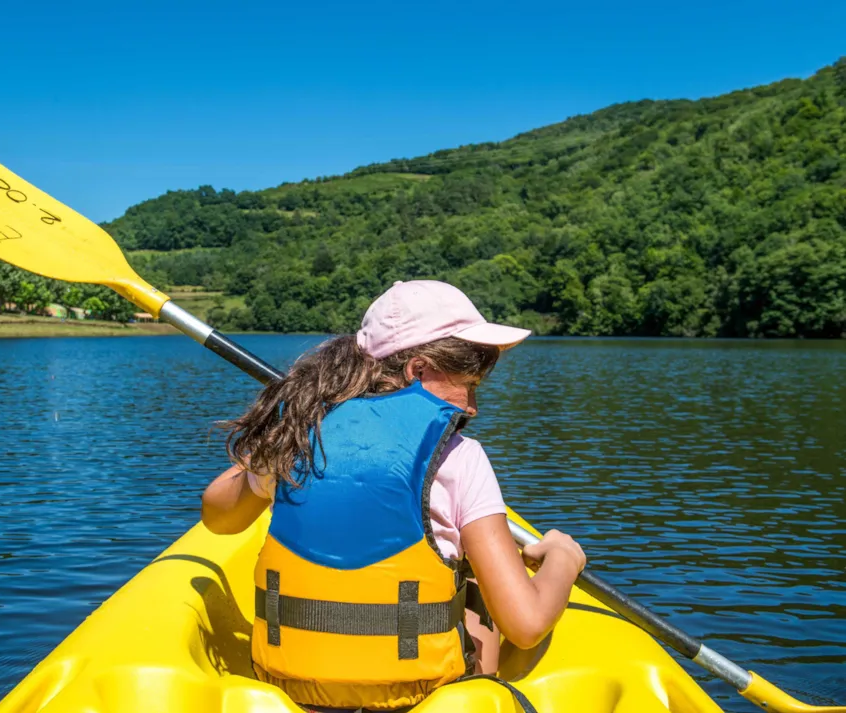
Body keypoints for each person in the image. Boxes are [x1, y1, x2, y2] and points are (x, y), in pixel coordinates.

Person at [201, 280, 586, 712]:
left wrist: (275, 444)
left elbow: (219, 515)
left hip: (296, 692)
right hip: (420, 697)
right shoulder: (461, 457)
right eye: (469, 385)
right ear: (418, 370)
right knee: (474, 577)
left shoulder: (302, 440)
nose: (473, 406)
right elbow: (527, 624)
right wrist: (564, 558)